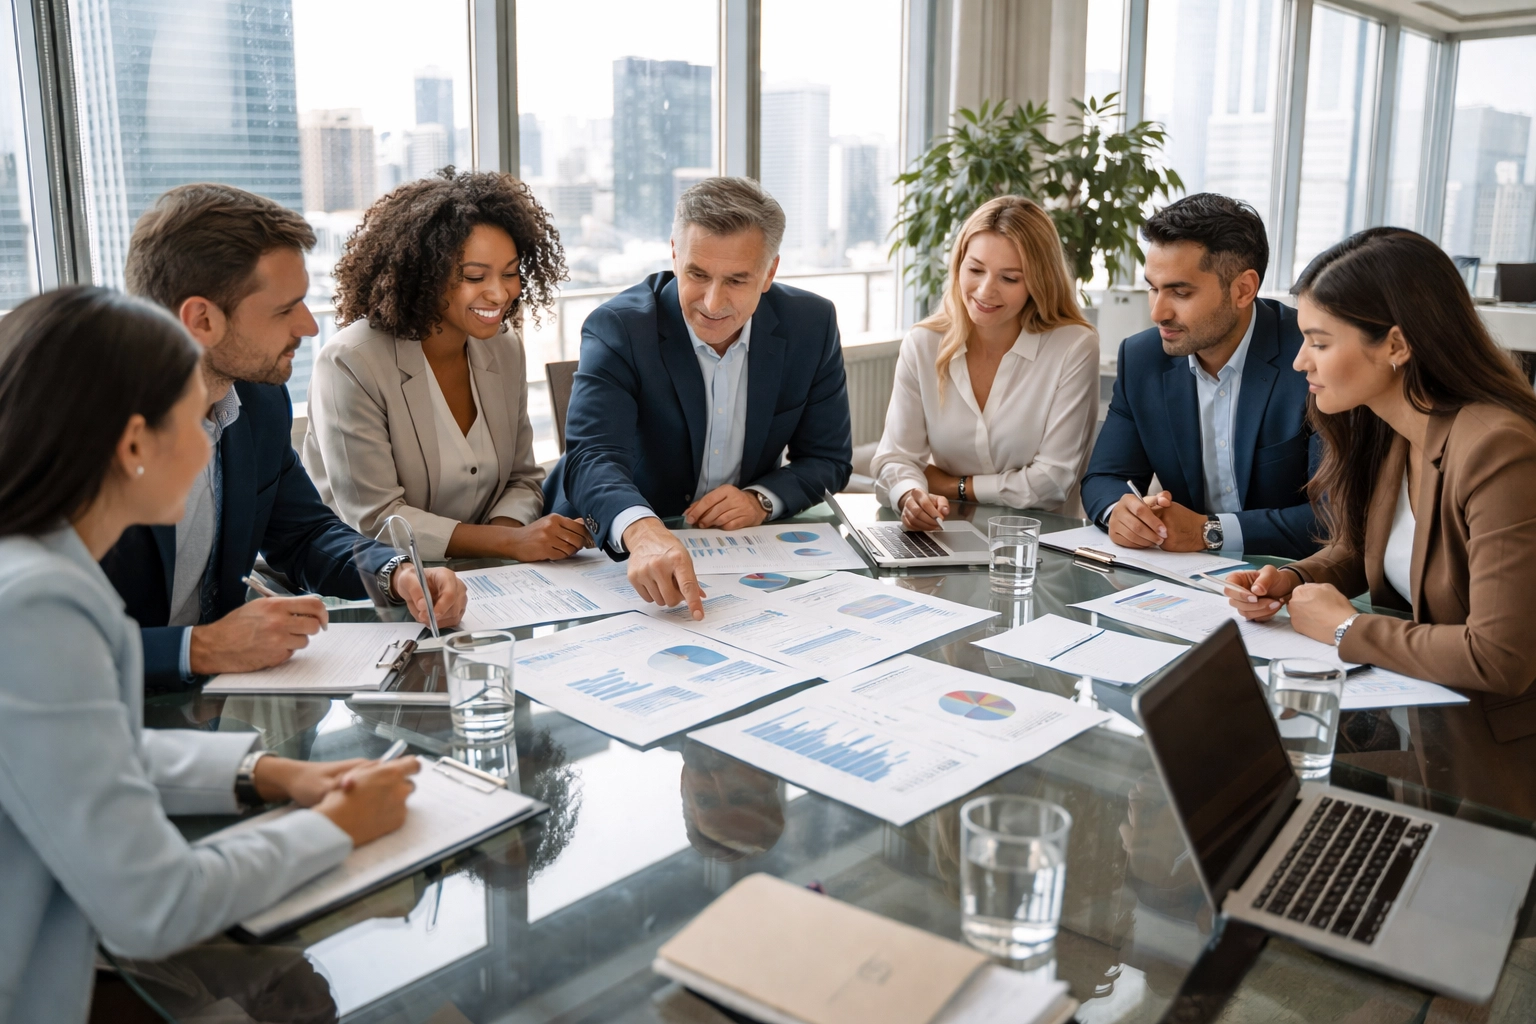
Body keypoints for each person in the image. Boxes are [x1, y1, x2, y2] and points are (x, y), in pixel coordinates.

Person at [0, 286, 420, 1024]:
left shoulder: (38, 564)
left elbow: (89, 752)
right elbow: (154, 906)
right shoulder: (38, 606)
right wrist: (338, 829)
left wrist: (267, 773)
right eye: (196, 417)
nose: (212, 439)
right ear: (134, 447)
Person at [99, 184, 468, 690]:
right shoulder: (82, 433)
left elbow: (304, 533)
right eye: (285, 308)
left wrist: (397, 573)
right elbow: (31, 641)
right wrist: (201, 647)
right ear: (202, 319)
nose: (310, 326)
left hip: (221, 700)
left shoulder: (256, 400)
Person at [1225, 227, 1536, 818]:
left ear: (1396, 344)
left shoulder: (1498, 449)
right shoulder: (1396, 428)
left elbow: (1500, 656)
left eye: (1318, 342)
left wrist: (1346, 631)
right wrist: (1293, 579)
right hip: (1424, 731)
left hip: (1499, 772)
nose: (1299, 362)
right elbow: (1374, 551)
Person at [543, 176, 852, 619]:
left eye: (736, 281)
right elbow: (591, 456)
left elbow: (829, 459)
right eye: (697, 274)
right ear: (674, 253)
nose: (712, 302)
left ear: (769, 273)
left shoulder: (811, 324)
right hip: (603, 550)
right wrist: (643, 530)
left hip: (739, 556)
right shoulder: (618, 327)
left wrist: (761, 499)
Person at [304, 169, 589, 562]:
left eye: (509, 273)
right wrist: (508, 544)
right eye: (475, 276)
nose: (499, 292)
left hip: (490, 579)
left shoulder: (504, 349)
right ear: (424, 275)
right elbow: (377, 520)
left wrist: (503, 542)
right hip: (378, 582)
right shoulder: (351, 362)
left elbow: (522, 478)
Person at [1081, 193, 1319, 560]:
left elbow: (1334, 517)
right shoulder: (1143, 358)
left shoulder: (1309, 359)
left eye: (1180, 291)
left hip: (1293, 579)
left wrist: (1207, 532)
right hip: (1184, 579)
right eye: (1152, 287)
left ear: (1243, 289)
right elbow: (1104, 478)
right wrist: (1122, 513)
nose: (1158, 312)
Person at [871, 196, 1099, 527]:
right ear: (958, 266)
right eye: (975, 269)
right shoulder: (923, 343)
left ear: (1038, 281)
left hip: (1039, 548)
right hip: (945, 535)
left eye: (1010, 278)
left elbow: (1052, 482)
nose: (985, 290)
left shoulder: (1074, 346)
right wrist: (911, 495)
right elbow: (894, 459)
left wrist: (954, 486)